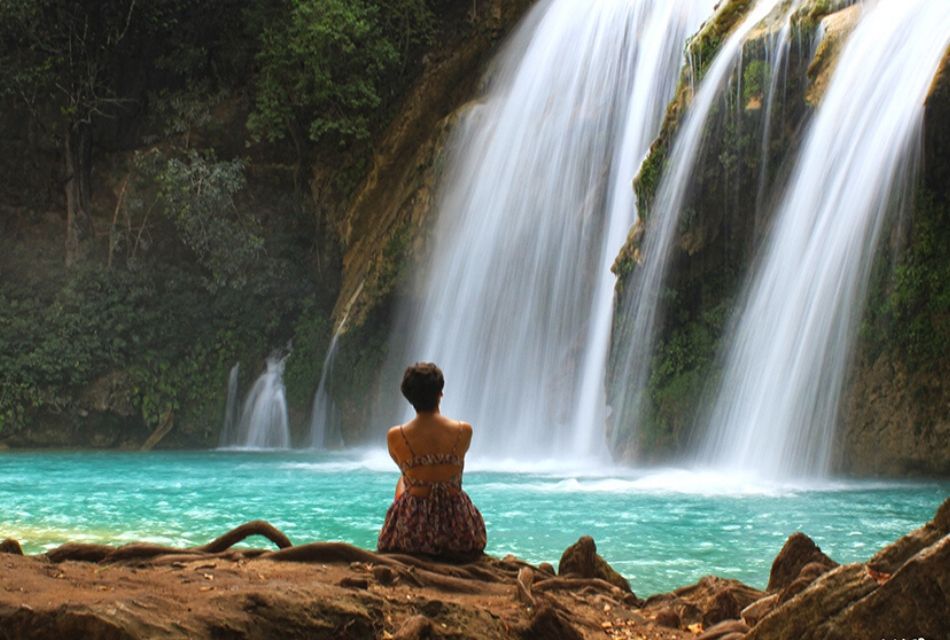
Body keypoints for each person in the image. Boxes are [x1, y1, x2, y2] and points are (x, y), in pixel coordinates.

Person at [377, 362, 487, 557]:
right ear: (440, 393)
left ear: (409, 398)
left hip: (412, 535)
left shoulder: (395, 436)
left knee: (404, 479)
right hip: (459, 533)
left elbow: (402, 466)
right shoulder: (464, 431)